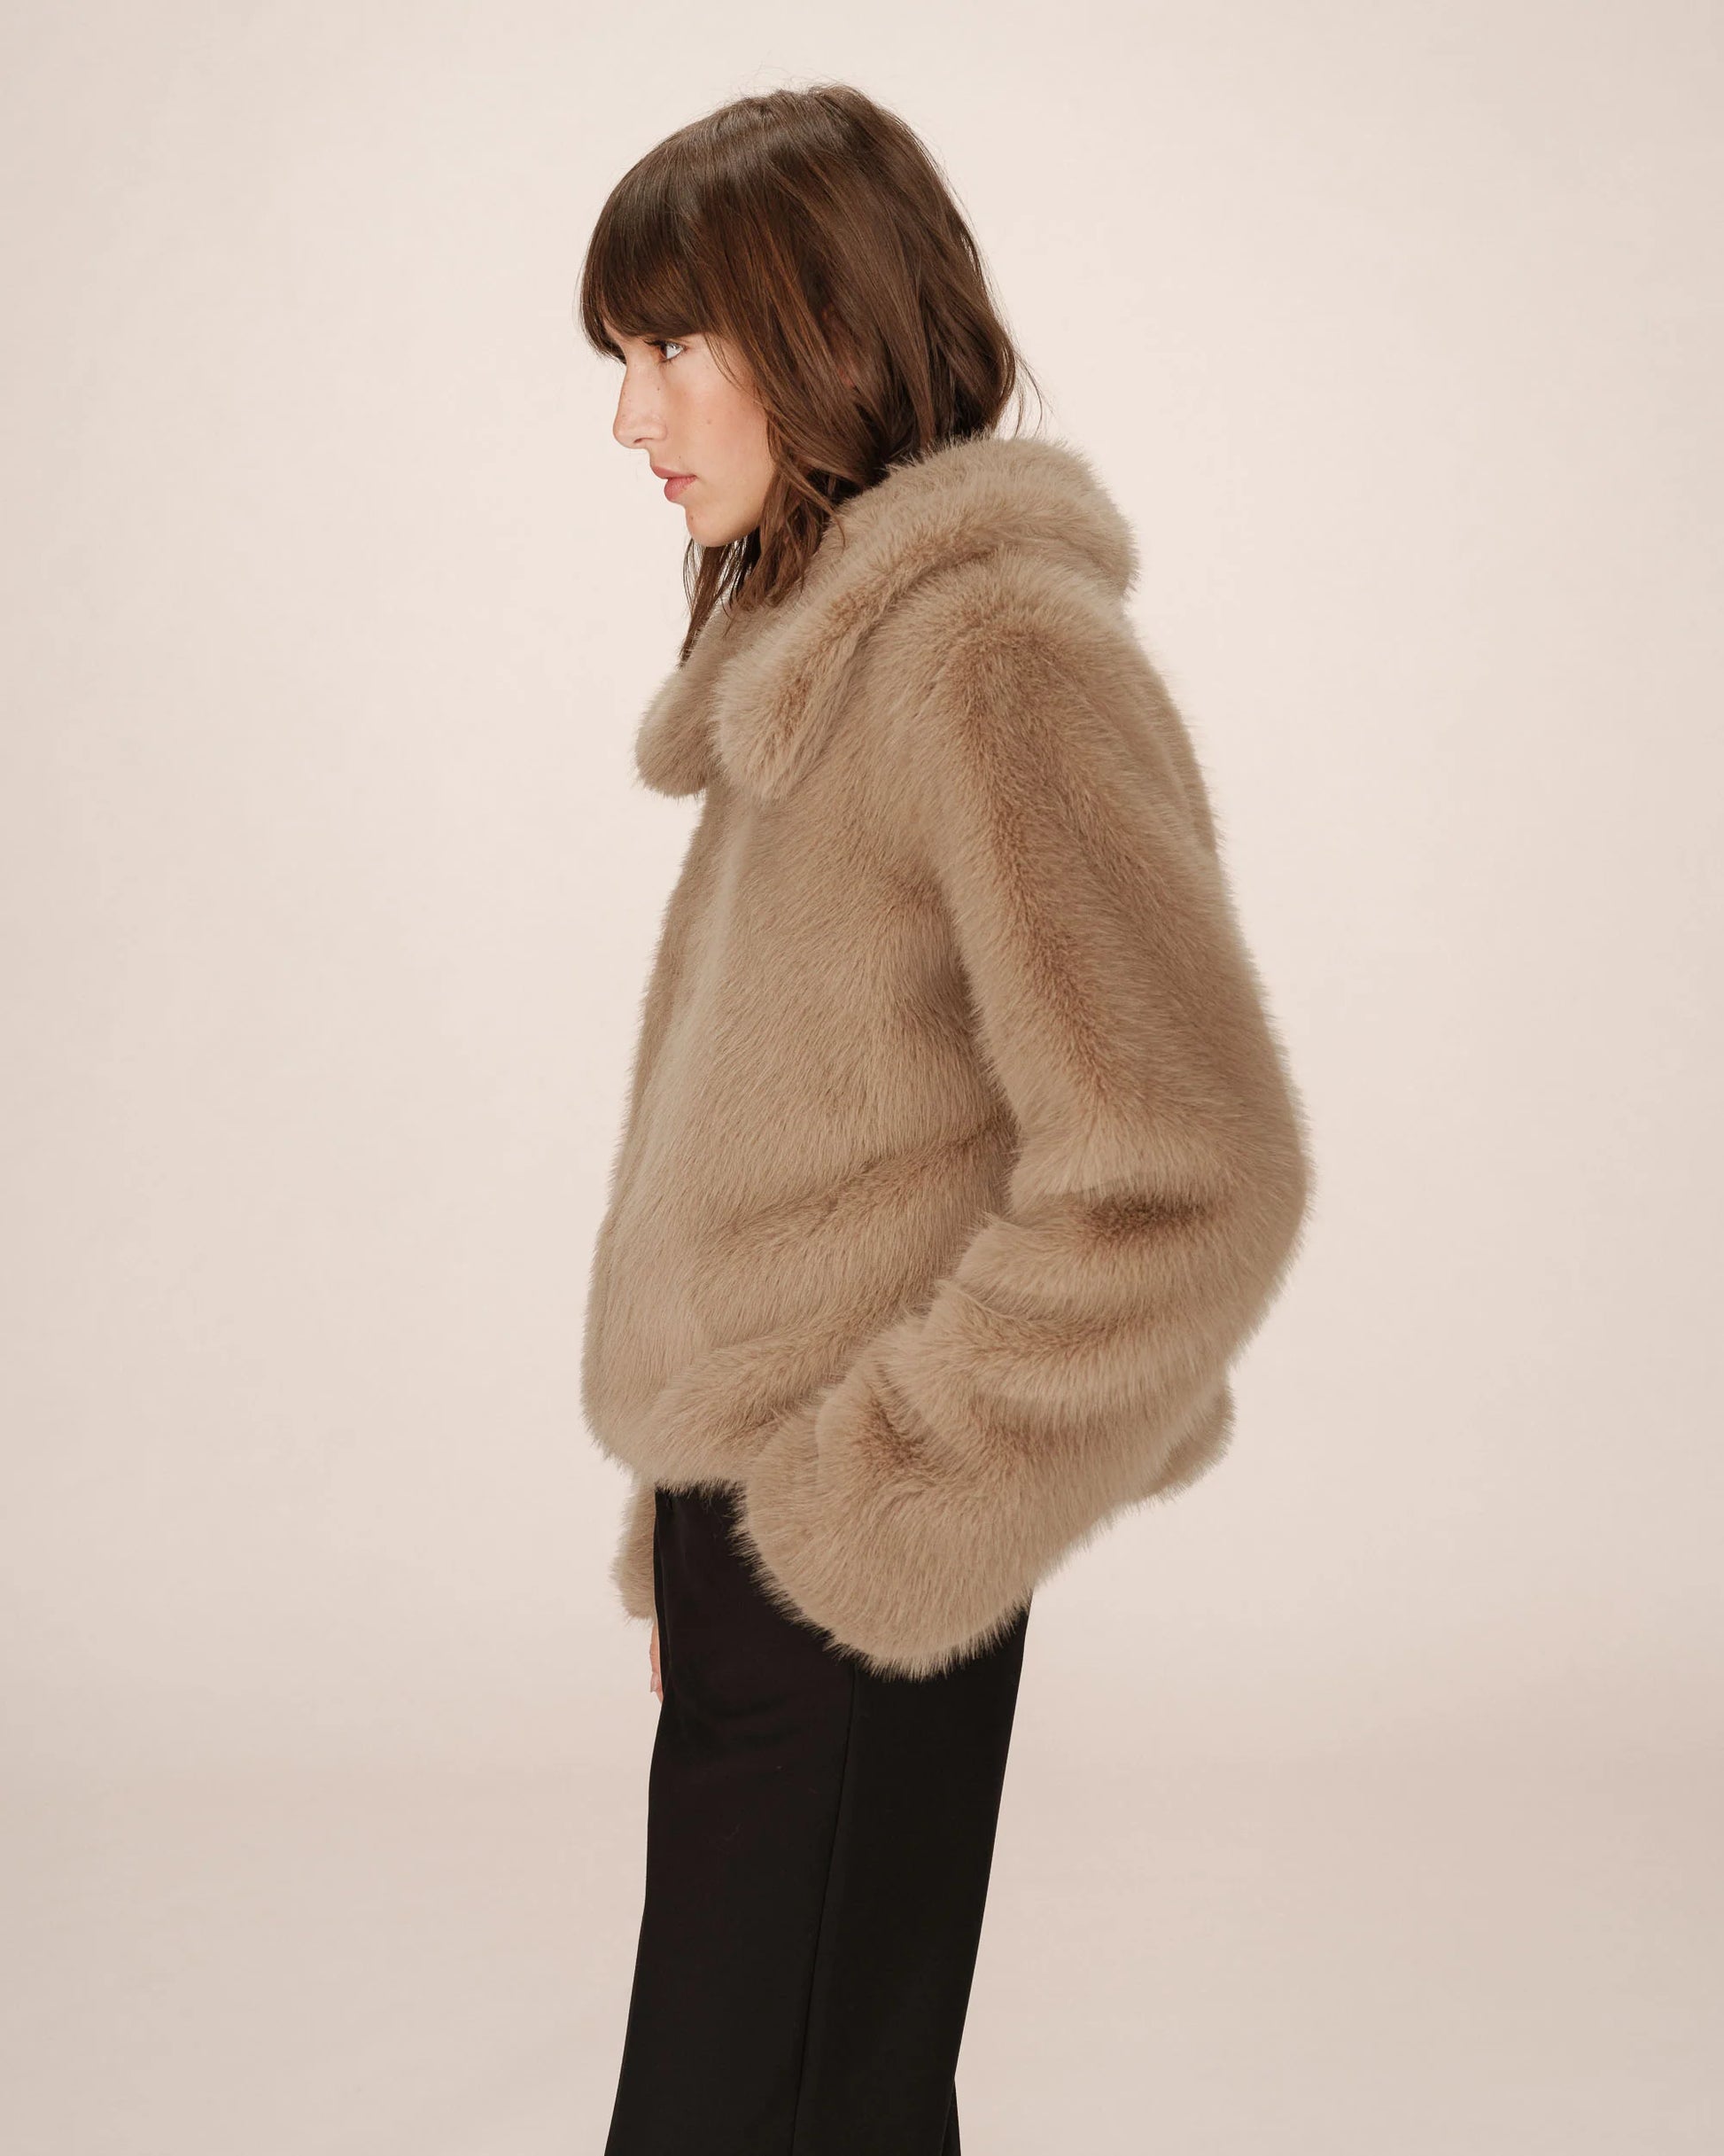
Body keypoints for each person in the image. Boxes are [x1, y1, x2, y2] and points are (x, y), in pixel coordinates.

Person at [577, 82, 1313, 2155]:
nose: (631, 419)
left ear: (818, 328)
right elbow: (797, 1146)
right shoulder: (819, 658)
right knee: (816, 2101)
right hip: (766, 1529)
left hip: (852, 1527)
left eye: (672, 347)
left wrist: (879, 1500)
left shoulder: (990, 658)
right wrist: (703, 1516)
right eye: (621, 358)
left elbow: (1191, 1165)